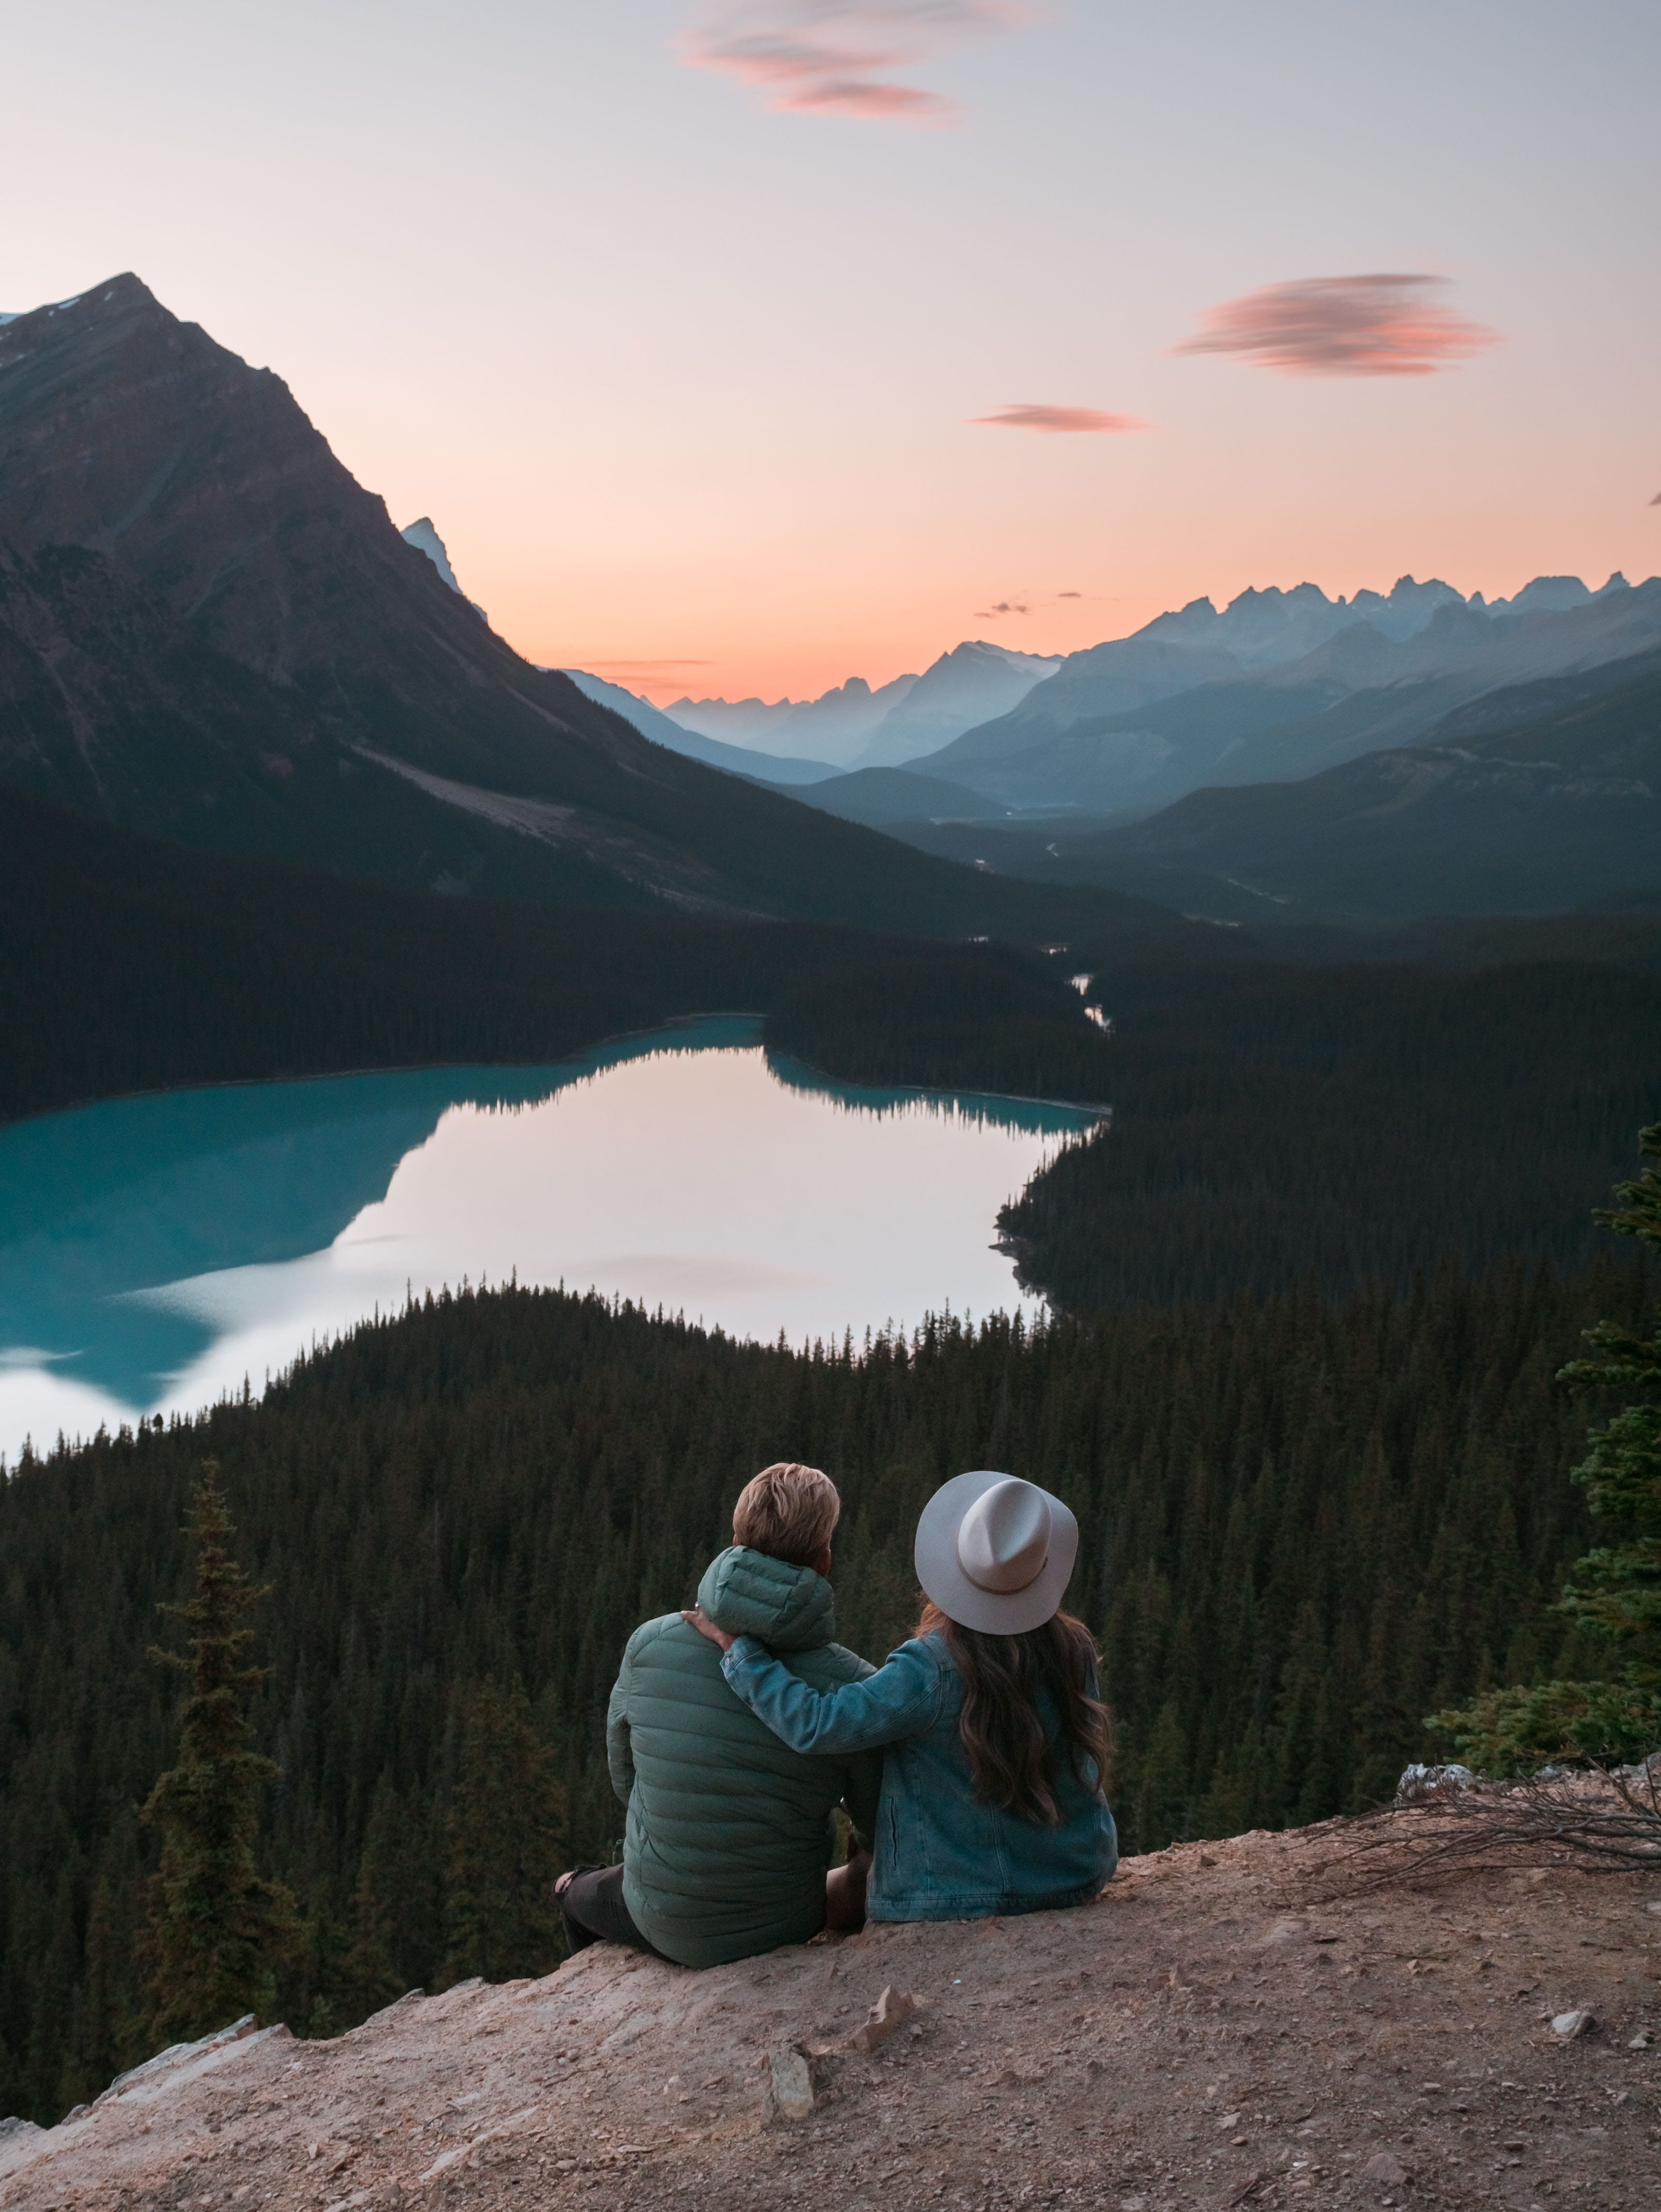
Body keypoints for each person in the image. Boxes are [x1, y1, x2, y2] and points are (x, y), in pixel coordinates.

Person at [685, 1469, 1116, 1923]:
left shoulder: (930, 1667)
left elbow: (818, 1724)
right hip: (1074, 1874)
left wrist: (741, 1653)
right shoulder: (1075, 1648)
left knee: (822, 1897)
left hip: (954, 1890)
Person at [557, 1462, 881, 1967]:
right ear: (823, 1561)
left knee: (573, 1890)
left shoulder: (651, 1642)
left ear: (735, 1540)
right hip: (786, 1918)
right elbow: (875, 1824)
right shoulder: (855, 1684)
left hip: (661, 1915)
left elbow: (627, 1781)